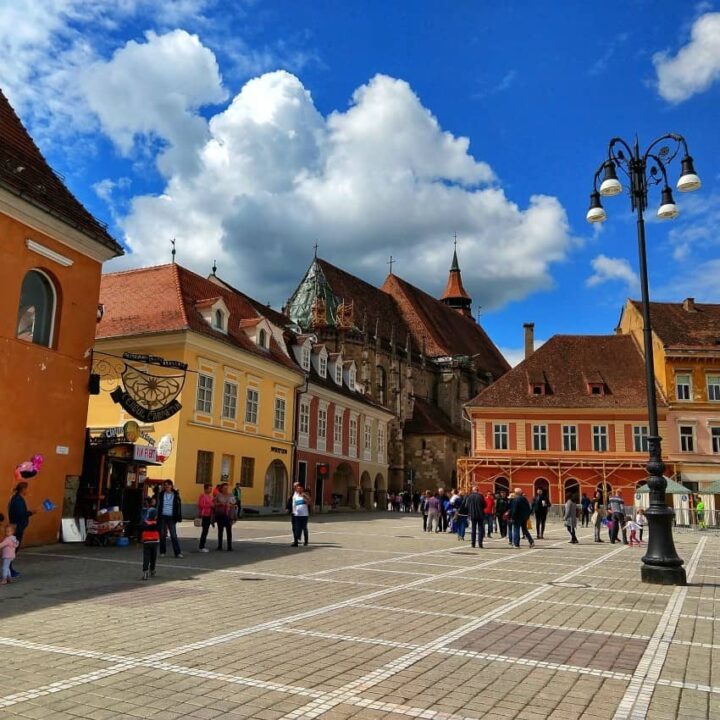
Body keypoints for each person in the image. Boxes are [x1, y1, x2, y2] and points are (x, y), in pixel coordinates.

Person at [8, 481, 35, 578]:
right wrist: (30, 513)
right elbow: (20, 514)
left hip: (16, 527)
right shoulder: (18, 500)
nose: (28, 491)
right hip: (17, 528)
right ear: (23, 489)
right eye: (27, 489)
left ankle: (8, 569)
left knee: (12, 550)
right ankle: (8, 569)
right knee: (12, 550)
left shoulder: (16, 498)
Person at [157, 480, 183, 558]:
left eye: (168, 485)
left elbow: (178, 506)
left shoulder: (175, 495)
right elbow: (158, 505)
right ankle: (162, 552)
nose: (167, 486)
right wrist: (157, 514)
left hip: (172, 517)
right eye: (165, 485)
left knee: (173, 535)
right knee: (162, 535)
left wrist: (178, 516)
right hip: (163, 516)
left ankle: (177, 553)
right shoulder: (161, 494)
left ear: (171, 486)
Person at [214, 482, 238, 551]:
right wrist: (219, 504)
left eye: (227, 488)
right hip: (220, 514)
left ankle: (229, 546)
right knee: (220, 531)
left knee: (229, 530)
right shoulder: (218, 495)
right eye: (224, 488)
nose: (226, 489)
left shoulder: (231, 495)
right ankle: (219, 546)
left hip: (228, 515)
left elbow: (234, 504)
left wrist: (230, 505)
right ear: (221, 488)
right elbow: (214, 503)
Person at [140, 508, 160, 580]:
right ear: (155, 516)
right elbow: (160, 529)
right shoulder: (156, 523)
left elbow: (141, 529)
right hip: (154, 542)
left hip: (146, 542)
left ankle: (145, 572)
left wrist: (140, 540)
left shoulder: (144, 523)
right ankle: (152, 569)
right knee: (153, 557)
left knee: (146, 557)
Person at [197, 483, 214, 552]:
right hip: (204, 515)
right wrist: (210, 506)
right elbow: (200, 505)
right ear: (205, 489)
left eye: (211, 488)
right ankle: (201, 547)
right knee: (205, 531)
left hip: (209, 515)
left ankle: (202, 546)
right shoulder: (202, 496)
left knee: (206, 531)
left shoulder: (210, 496)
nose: (211, 490)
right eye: (209, 488)